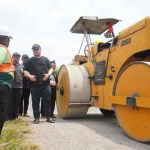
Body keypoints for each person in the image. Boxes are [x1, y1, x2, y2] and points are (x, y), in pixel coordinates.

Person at [24, 44, 54, 124]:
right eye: (34, 50)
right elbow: (25, 70)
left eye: (37, 49)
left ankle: (48, 117)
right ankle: (36, 118)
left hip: (45, 84)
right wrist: (30, 76)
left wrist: (48, 75)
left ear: (40, 49)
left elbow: (51, 68)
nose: (36, 51)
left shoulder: (45, 59)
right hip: (34, 85)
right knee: (35, 101)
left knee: (47, 101)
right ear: (33, 51)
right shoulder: (30, 60)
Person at [0, 26, 15, 135]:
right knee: (1, 113)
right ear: (6, 39)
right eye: (9, 39)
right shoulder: (2, 49)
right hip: (1, 86)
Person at [8, 52, 24, 120]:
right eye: (16, 56)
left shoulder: (22, 66)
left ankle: (15, 116)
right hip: (11, 86)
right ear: (12, 56)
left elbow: (23, 76)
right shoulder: (10, 65)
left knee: (17, 102)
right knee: (10, 102)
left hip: (19, 86)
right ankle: (8, 117)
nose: (17, 57)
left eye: (18, 56)